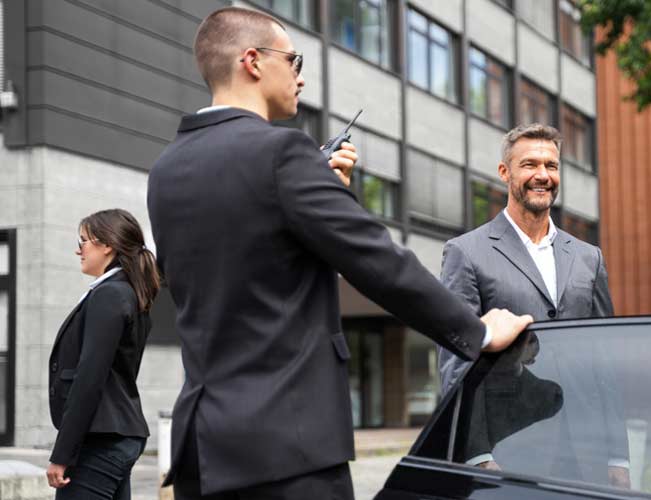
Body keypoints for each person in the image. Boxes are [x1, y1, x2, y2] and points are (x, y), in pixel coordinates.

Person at [146, 7, 531, 499]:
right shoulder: (284, 154)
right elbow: (377, 261)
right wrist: (476, 332)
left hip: (203, 451)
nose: (300, 77)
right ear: (252, 61)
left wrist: (317, 196)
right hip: (289, 449)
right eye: (293, 60)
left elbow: (249, 269)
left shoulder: (167, 169)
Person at [437, 124, 629, 488]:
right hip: (509, 447)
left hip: (586, 450)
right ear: (504, 172)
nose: (542, 175)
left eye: (551, 166)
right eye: (529, 165)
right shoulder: (466, 252)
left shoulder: (589, 257)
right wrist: (477, 454)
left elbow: (606, 359)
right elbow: (455, 361)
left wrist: (618, 455)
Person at [46, 209, 160, 499]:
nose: (78, 249)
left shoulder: (110, 294)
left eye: (83, 241)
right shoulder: (128, 292)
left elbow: (90, 377)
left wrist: (63, 453)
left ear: (106, 245)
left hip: (100, 439)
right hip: (115, 434)